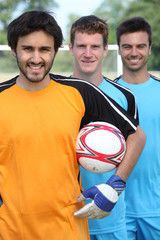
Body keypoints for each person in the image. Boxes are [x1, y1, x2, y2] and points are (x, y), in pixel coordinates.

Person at [0, 11, 146, 240]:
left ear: (55, 51)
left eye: (44, 50)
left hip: (68, 231)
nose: (36, 58)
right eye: (28, 49)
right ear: (14, 50)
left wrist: (114, 186)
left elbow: (136, 136)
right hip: (10, 231)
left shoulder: (79, 91)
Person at [69, 15, 144, 240]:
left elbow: (135, 141)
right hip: (67, 217)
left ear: (105, 50)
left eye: (95, 47)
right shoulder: (59, 93)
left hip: (110, 216)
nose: (88, 53)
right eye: (81, 46)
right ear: (70, 48)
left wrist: (114, 186)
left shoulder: (124, 96)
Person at [115, 16, 160, 240]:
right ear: (119, 50)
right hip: (117, 209)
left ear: (150, 48)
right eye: (127, 46)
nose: (134, 52)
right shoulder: (107, 95)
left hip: (157, 209)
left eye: (140, 46)